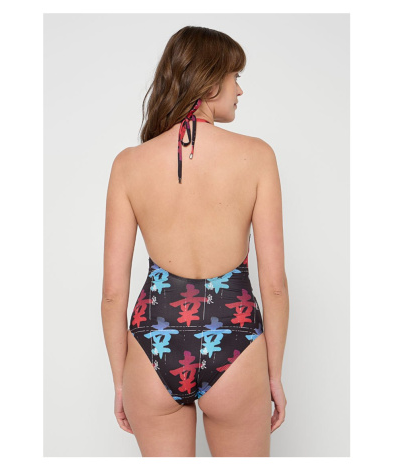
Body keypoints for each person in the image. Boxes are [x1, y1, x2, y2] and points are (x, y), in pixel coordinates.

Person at [101, 25, 289, 457]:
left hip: (152, 344)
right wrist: (274, 376)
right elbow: (275, 286)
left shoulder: (128, 165)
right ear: (208, 81)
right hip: (235, 339)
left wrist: (121, 382)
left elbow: (112, 295)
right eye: (234, 77)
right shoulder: (258, 156)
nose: (239, 90)